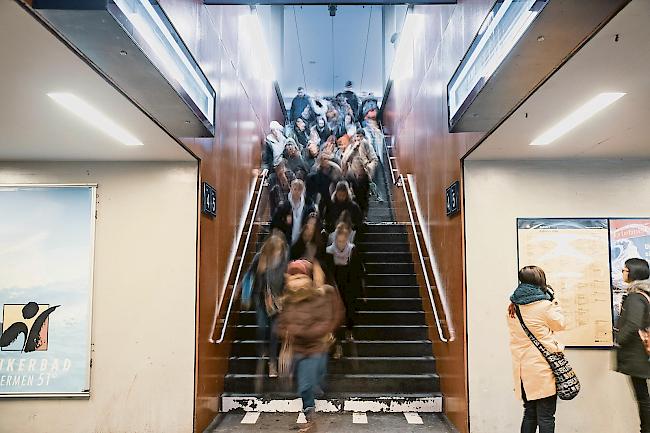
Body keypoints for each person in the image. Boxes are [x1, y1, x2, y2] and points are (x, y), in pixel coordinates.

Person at [277, 261, 343, 432]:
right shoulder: (288, 301)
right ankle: (310, 417)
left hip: (315, 349)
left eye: (300, 277)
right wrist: (287, 333)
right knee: (305, 386)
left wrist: (301, 331)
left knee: (309, 383)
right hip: (299, 350)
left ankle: (310, 414)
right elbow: (281, 325)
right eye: (293, 277)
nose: (297, 282)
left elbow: (326, 321)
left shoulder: (317, 298)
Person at [507, 265, 565, 433]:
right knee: (546, 416)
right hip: (542, 367)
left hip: (522, 368)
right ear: (540, 281)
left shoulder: (512, 307)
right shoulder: (544, 305)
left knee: (530, 413)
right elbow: (561, 324)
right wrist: (554, 301)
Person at [246, 234, 289, 378]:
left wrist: (284, 297)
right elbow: (249, 276)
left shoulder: (284, 261)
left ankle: (272, 364)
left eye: (279, 250)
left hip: (277, 301)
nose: (277, 253)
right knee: (262, 326)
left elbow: (286, 280)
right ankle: (261, 348)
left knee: (274, 331)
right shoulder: (260, 258)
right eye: (275, 250)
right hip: (260, 299)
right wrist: (244, 295)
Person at [615, 258, 650, 433]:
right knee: (643, 397)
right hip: (643, 356)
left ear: (633, 272)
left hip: (639, 356)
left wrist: (617, 339)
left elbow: (633, 324)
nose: (623, 272)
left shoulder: (636, 297)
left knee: (643, 398)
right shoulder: (644, 294)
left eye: (625, 269)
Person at [325, 223, 364, 359]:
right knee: (336, 317)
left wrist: (360, 290)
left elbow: (358, 271)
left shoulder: (352, 250)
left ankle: (349, 331)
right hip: (334, 288)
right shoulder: (329, 251)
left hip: (349, 288)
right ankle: (338, 346)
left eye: (343, 240)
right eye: (339, 241)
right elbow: (327, 272)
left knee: (348, 312)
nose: (341, 244)